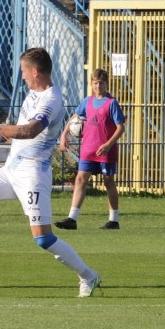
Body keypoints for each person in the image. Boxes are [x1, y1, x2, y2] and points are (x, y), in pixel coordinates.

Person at [0, 48, 102, 298]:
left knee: (43, 239)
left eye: (24, 71)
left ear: (36, 72)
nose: (23, 76)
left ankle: (89, 275)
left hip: (33, 175)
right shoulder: (33, 93)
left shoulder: (52, 100)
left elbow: (30, 131)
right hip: (12, 169)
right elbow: (20, 130)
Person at [55, 69, 127, 231]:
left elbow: (120, 128)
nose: (98, 86)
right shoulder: (87, 101)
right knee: (80, 179)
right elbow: (74, 118)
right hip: (88, 149)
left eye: (101, 83)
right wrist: (64, 134)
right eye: (95, 83)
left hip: (105, 150)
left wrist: (108, 144)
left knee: (108, 181)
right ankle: (72, 218)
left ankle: (113, 220)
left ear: (106, 84)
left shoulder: (111, 103)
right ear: (91, 84)